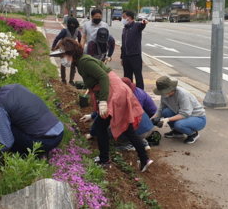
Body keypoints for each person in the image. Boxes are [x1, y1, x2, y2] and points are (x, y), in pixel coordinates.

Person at [52, 38, 154, 172]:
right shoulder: (80, 63)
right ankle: (143, 158)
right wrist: (95, 111)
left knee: (102, 126)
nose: (62, 59)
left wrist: (103, 102)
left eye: (62, 56)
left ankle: (105, 160)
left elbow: (103, 77)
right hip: (114, 92)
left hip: (114, 93)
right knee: (125, 128)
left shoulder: (84, 61)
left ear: (70, 52)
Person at [0, 80, 64, 168]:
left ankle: (23, 156)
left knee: (5, 128)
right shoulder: (15, 87)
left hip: (46, 142)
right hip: (59, 131)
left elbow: (6, 143)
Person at [80, 77, 157, 151]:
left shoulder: (117, 100)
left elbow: (102, 116)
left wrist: (92, 134)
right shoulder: (133, 96)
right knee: (134, 125)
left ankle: (128, 145)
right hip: (149, 127)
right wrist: (91, 115)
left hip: (138, 126)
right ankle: (143, 142)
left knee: (113, 129)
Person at [152, 76, 206, 144]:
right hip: (182, 115)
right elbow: (161, 108)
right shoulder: (165, 95)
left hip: (198, 118)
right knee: (165, 111)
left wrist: (168, 119)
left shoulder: (182, 94)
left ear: (170, 90)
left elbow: (184, 114)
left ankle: (193, 133)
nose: (162, 94)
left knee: (179, 124)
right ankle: (178, 132)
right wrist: (152, 119)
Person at [120, 10, 148, 89]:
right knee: (127, 78)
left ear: (129, 18)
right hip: (126, 57)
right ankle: (129, 92)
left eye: (124, 17)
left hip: (135, 55)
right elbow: (123, 44)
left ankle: (140, 93)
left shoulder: (136, 26)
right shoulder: (124, 29)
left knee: (138, 76)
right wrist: (122, 57)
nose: (123, 19)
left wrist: (143, 23)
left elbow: (141, 26)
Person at [52, 17, 82, 85]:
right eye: (70, 24)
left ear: (76, 25)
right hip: (64, 49)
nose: (72, 26)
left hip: (73, 49)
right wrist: (53, 48)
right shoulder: (64, 31)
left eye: (74, 24)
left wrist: (80, 48)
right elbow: (57, 39)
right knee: (63, 63)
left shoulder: (78, 32)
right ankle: (63, 79)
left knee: (73, 65)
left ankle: (71, 80)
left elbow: (80, 40)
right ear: (68, 24)